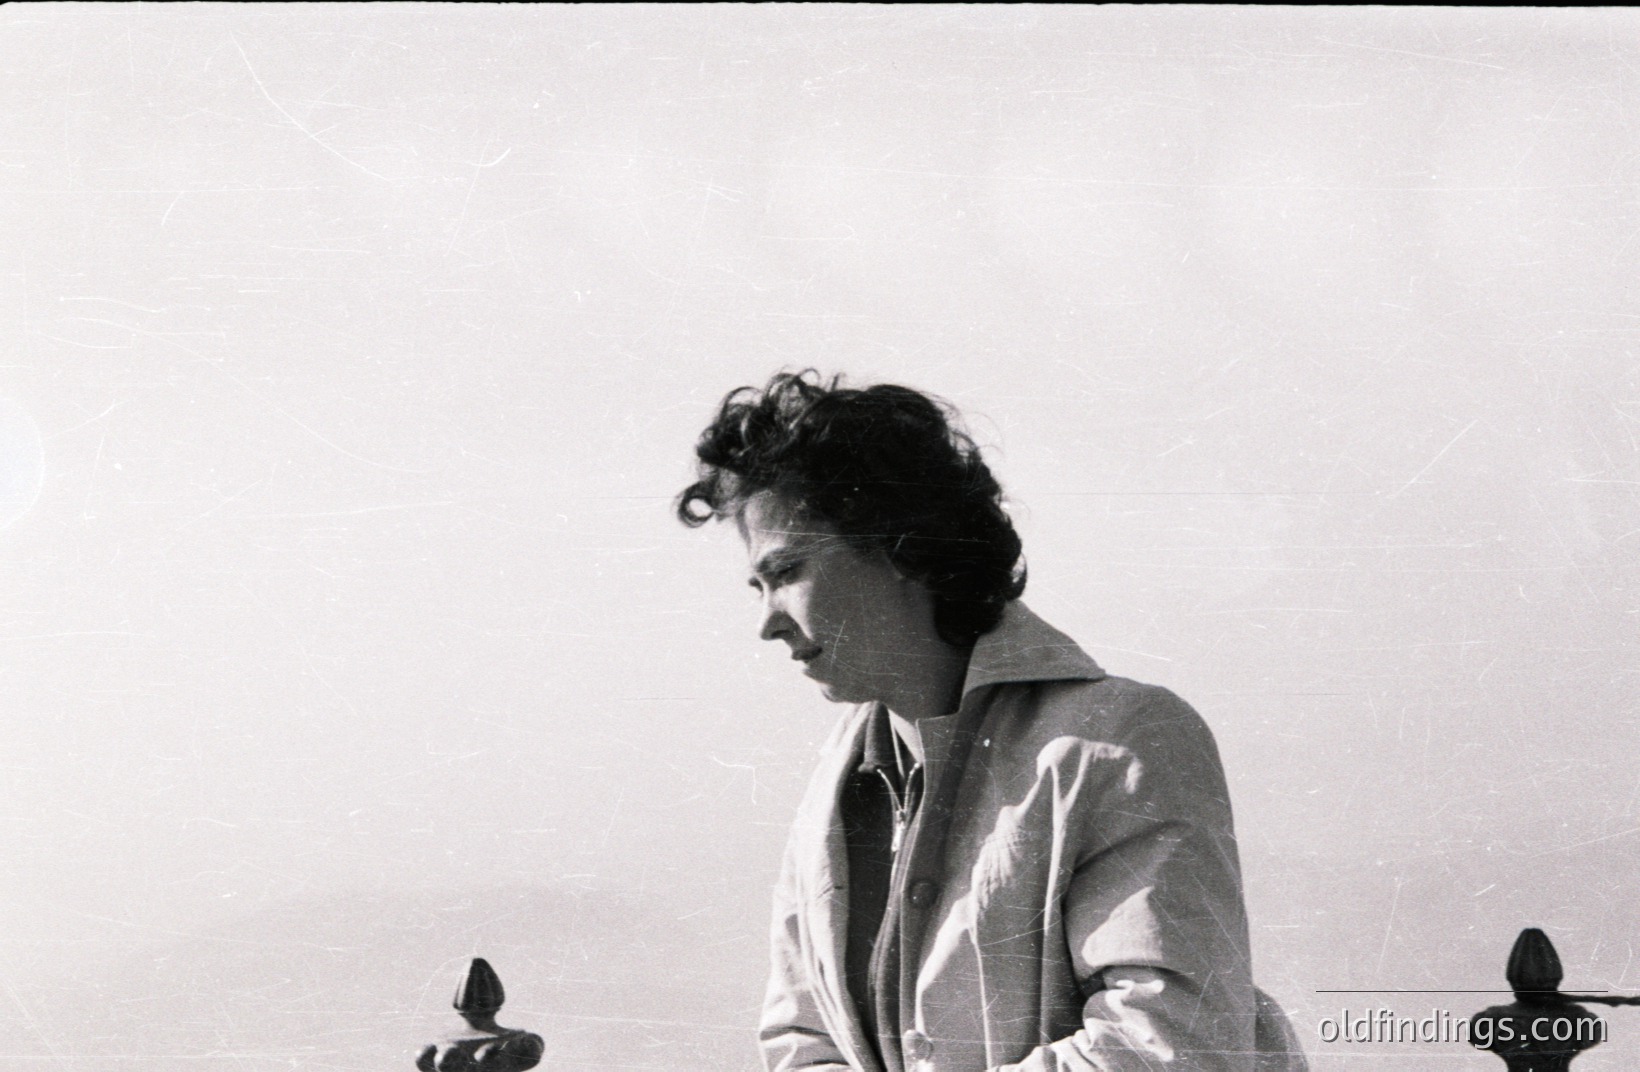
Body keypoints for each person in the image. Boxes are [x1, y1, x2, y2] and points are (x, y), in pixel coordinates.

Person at [675, 370, 1307, 1072]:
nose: (766, 621)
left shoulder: (1120, 741)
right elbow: (802, 1043)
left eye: (787, 570)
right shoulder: (832, 789)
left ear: (897, 543)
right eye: (758, 586)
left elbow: (1172, 1047)